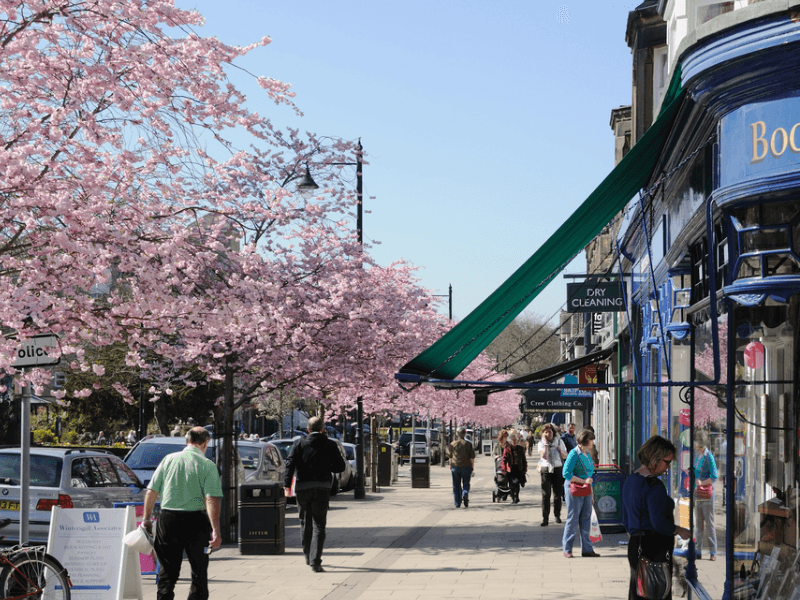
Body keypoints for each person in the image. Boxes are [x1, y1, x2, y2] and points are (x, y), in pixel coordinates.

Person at [142, 427, 222, 600]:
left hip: (168, 519)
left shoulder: (168, 460)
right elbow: (211, 500)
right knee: (199, 572)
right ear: (205, 443)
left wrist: (146, 519)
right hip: (197, 521)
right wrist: (215, 529)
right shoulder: (208, 466)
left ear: (187, 441)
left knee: (167, 573)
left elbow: (151, 491)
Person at [622, 435, 691, 600]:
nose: (667, 468)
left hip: (635, 544)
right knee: (657, 592)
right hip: (654, 548)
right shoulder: (654, 486)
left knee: (639, 592)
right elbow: (658, 522)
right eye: (667, 462)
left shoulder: (632, 479)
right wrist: (679, 530)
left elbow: (624, 517)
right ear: (654, 459)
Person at [283, 416, 346, 573]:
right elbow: (340, 467)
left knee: (305, 522)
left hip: (303, 487)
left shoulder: (299, 443)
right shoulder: (330, 444)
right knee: (319, 525)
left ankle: (307, 555)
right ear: (323, 429)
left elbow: (289, 463)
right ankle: (315, 561)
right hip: (322, 487)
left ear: (308, 429)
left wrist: (286, 484)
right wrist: (327, 465)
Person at [562, 428, 599, 558]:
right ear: (585, 441)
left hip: (587, 490)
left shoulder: (587, 455)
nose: (593, 443)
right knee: (573, 519)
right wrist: (583, 480)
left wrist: (592, 493)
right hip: (574, 489)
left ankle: (587, 549)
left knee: (586, 519)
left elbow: (590, 475)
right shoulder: (574, 454)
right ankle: (567, 549)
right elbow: (566, 474)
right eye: (591, 440)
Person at [694, 432, 718, 560]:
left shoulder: (709, 457)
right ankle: (698, 550)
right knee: (698, 524)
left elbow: (714, 477)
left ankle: (713, 551)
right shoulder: (698, 456)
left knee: (709, 523)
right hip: (697, 493)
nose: (695, 446)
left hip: (707, 495)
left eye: (697, 444)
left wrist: (701, 482)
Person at [538, 423, 567, 526]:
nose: (547, 433)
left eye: (549, 431)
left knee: (557, 494)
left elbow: (565, 455)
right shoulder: (541, 443)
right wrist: (546, 444)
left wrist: (560, 450)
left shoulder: (559, 441)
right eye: (545, 432)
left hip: (557, 468)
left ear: (553, 432)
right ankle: (545, 518)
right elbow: (544, 456)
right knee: (546, 495)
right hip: (546, 469)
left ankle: (557, 515)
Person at [448, 426, 475, 508]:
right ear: (465, 434)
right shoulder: (468, 444)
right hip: (466, 466)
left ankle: (457, 502)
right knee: (466, 482)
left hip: (455, 466)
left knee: (456, 485)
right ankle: (465, 493)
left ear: (457, 434)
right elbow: (472, 457)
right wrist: (472, 467)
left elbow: (450, 457)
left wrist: (450, 465)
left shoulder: (453, 444)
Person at [502, 430, 527, 504]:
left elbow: (524, 459)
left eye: (515, 440)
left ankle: (517, 496)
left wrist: (525, 468)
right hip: (511, 469)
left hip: (519, 468)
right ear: (510, 441)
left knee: (518, 483)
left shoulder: (521, 448)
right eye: (513, 440)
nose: (515, 441)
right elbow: (504, 459)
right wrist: (504, 468)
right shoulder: (507, 449)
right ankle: (513, 496)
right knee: (511, 484)